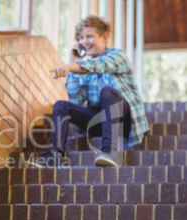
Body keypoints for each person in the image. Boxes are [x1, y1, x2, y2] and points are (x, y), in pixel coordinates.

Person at [31, 15, 148, 167]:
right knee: (61, 105)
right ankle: (55, 155)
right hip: (99, 121)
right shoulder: (80, 67)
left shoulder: (118, 56)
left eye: (89, 36)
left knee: (107, 92)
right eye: (80, 38)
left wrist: (70, 67)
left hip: (123, 120)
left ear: (104, 37)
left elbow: (99, 65)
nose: (84, 42)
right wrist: (73, 64)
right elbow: (76, 101)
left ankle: (111, 152)